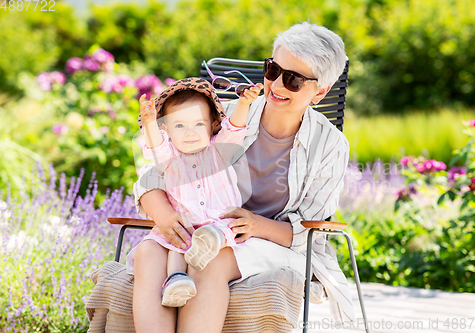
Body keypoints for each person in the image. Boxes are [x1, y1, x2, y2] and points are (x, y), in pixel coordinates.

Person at [132, 22, 355, 333]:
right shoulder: (227, 115)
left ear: (320, 91)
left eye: (293, 80)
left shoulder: (329, 145)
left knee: (209, 259)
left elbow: (311, 231)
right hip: (204, 228)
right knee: (147, 252)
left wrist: (254, 225)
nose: (277, 85)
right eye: (272, 70)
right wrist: (166, 216)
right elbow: (153, 175)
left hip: (275, 245)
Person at [127, 77, 262, 307]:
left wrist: (244, 103)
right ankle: (176, 281)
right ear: (167, 130)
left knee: (226, 228)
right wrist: (149, 121)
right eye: (179, 126)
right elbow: (155, 145)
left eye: (198, 124)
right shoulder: (169, 159)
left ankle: (211, 241)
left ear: (211, 126)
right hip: (186, 225)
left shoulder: (219, 151)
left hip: (218, 221)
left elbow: (235, 127)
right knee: (175, 243)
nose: (190, 132)